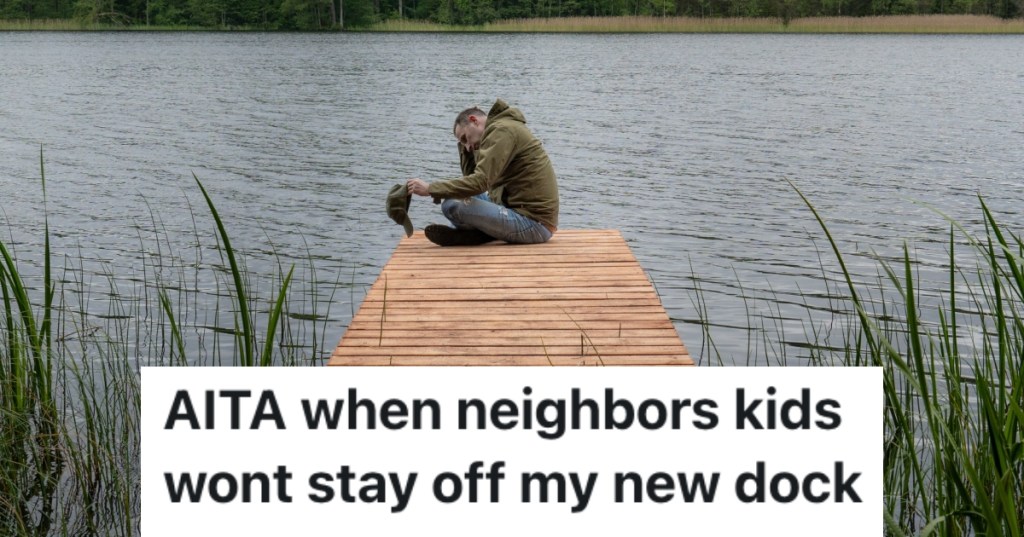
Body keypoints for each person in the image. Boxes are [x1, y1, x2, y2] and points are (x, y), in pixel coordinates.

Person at [406, 99, 559, 247]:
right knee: (454, 195)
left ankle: (478, 234)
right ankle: (480, 233)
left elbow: (480, 182)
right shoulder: (496, 131)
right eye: (462, 143)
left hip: (534, 224)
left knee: (452, 205)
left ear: (474, 120)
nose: (467, 146)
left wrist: (430, 189)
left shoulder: (502, 131)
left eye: (465, 138)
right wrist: (466, 149)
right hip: (514, 211)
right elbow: (471, 180)